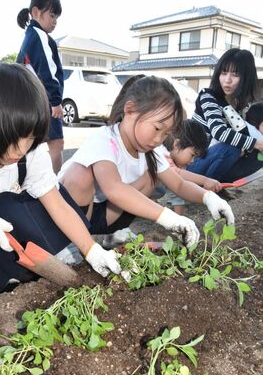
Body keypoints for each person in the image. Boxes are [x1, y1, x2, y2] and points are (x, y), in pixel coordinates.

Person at [0, 63, 122, 297]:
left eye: (31, 137)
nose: (22, 150)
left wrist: (92, 250)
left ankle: (20, 273)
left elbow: (57, 205)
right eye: (13, 139)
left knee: (51, 197)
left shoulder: (31, 152)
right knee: (2, 211)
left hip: (4, 236)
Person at [58, 76, 234, 249]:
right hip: (68, 212)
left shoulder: (152, 151)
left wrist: (208, 198)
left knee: (152, 176)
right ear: (130, 110)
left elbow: (179, 185)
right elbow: (114, 190)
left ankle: (115, 233)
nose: (159, 139)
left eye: (166, 134)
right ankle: (69, 244)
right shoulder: (104, 139)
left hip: (105, 215)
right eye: (157, 128)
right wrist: (167, 217)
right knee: (79, 175)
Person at [187, 48, 263, 182]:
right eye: (224, 72)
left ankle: (219, 185)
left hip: (211, 160)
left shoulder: (240, 107)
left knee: (255, 154)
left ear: (246, 77)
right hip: (191, 163)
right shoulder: (208, 97)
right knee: (233, 147)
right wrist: (256, 143)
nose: (227, 80)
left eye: (235, 74)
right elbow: (219, 132)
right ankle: (205, 187)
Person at [17, 0, 64, 174]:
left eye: (57, 17)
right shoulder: (40, 36)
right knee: (56, 143)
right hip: (43, 100)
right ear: (36, 12)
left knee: (28, 143)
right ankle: (55, 184)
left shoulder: (30, 35)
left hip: (29, 100)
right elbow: (47, 71)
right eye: (52, 15)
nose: (55, 21)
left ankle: (23, 180)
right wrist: (55, 101)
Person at [156, 119, 222, 215]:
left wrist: (180, 218)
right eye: (192, 155)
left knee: (161, 188)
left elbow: (177, 190)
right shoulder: (160, 153)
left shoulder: (175, 161)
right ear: (177, 145)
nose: (192, 161)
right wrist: (205, 180)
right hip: (133, 188)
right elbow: (176, 173)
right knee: (157, 186)